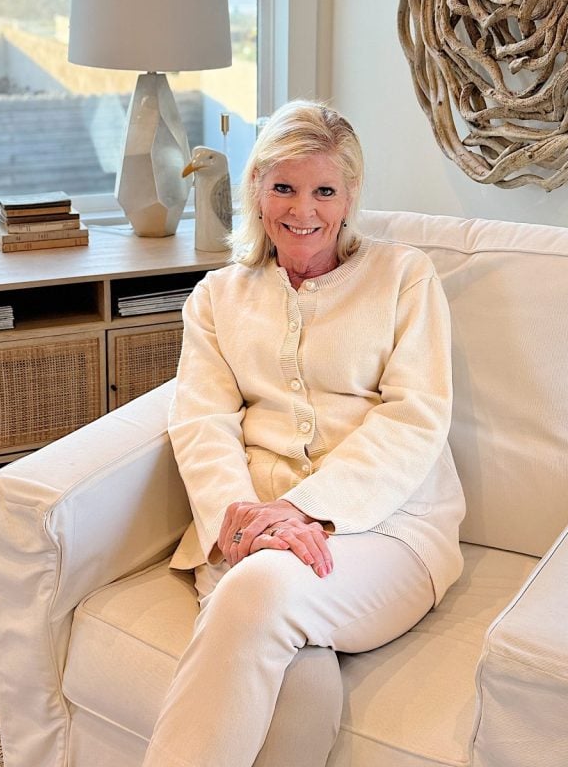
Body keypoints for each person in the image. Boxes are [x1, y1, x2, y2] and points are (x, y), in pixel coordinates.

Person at [143, 100, 465, 767]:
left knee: (259, 590)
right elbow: (200, 421)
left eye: (324, 189)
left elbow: (416, 416)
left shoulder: (406, 278)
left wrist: (298, 511)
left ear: (350, 196)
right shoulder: (215, 298)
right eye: (283, 186)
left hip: (393, 531)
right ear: (256, 189)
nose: (303, 209)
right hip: (248, 529)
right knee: (300, 673)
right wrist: (240, 520)